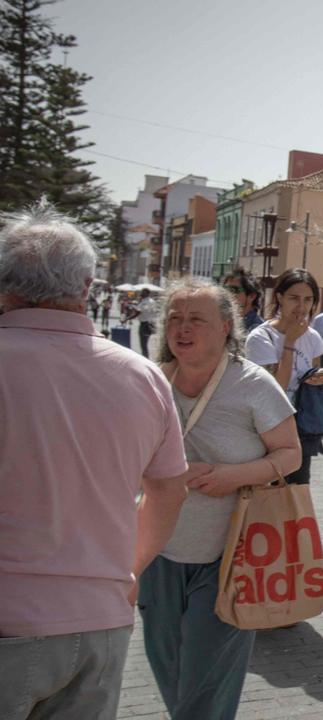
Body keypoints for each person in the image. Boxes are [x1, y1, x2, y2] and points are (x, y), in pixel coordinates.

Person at [0, 202, 192, 720]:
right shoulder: (143, 376)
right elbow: (170, 489)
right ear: (87, 287)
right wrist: (129, 569)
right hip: (99, 623)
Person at [137, 279, 302, 720]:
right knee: (171, 677)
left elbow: (291, 454)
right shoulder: (149, 381)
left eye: (196, 319)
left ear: (227, 326)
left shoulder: (252, 384)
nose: (182, 328)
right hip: (157, 555)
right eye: (174, 318)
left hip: (232, 557)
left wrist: (233, 476)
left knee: (207, 686)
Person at [245, 267, 323, 484]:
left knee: (297, 493)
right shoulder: (260, 338)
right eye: (294, 298)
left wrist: (319, 378)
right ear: (280, 297)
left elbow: (315, 372)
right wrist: (289, 342)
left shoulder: (313, 337)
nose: (301, 307)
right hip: (268, 429)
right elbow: (275, 390)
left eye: (308, 300)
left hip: (301, 426)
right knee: (267, 492)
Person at [223, 266, 264, 333]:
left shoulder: (258, 330)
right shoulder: (223, 324)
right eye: (225, 289)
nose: (228, 294)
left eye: (234, 290)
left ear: (252, 296)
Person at [132, 287, 160, 359]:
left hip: (145, 324)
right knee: (144, 343)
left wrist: (127, 319)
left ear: (147, 293)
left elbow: (139, 312)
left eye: (143, 292)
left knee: (143, 343)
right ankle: (145, 358)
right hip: (148, 323)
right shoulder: (150, 301)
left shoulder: (146, 302)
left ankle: (145, 358)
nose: (141, 293)